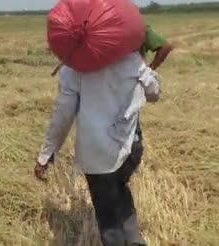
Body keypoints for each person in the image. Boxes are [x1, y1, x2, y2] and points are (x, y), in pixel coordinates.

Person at [34, 51, 161, 246]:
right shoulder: (130, 58)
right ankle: (135, 241)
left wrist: (47, 153)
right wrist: (147, 72)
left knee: (107, 215)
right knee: (120, 188)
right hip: (130, 146)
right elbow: (153, 93)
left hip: (96, 152)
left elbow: (64, 115)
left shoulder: (72, 68)